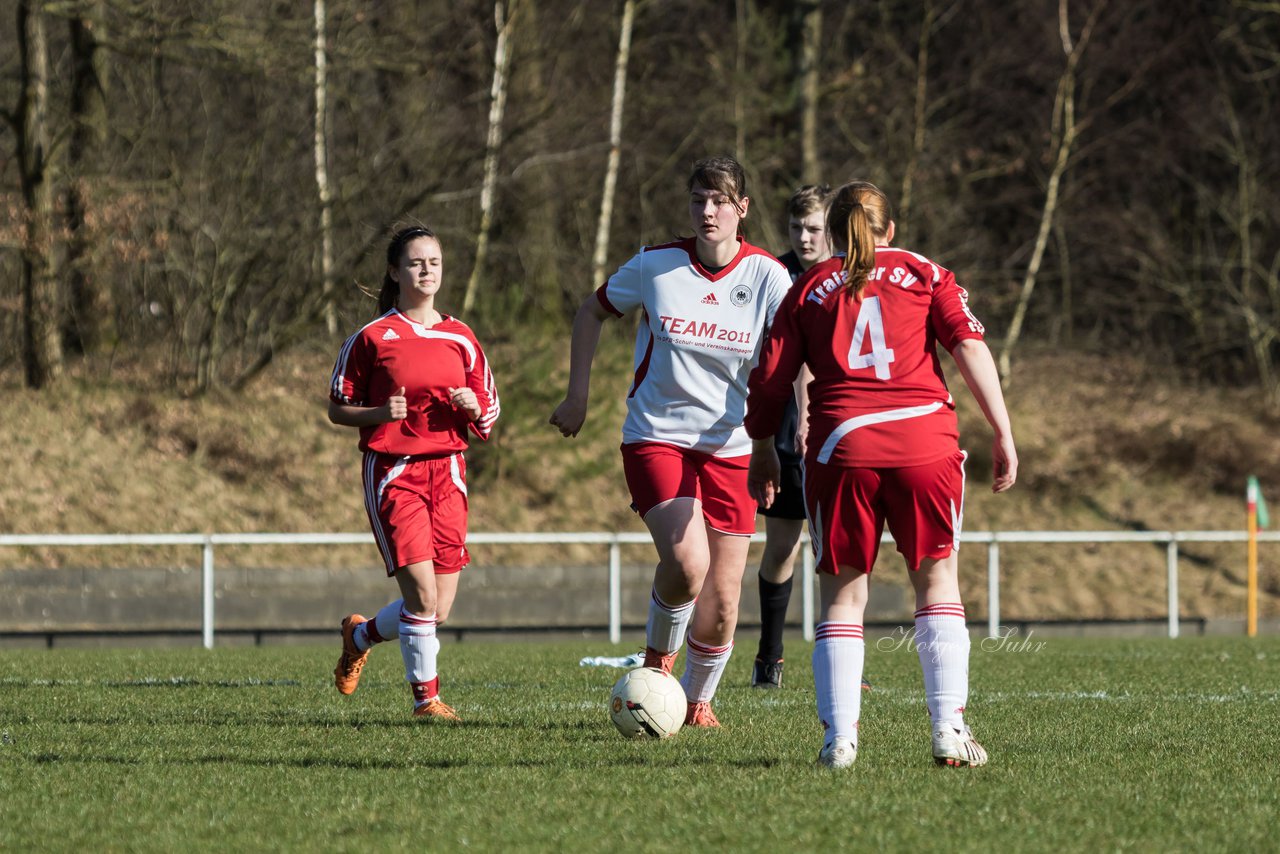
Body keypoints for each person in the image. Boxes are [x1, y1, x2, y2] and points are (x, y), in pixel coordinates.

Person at [745, 181, 1017, 769]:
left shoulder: (808, 288)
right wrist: (1002, 429)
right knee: (936, 582)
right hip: (925, 442)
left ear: (837, 235)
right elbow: (968, 345)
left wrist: (763, 446)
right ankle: (949, 731)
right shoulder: (925, 272)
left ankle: (839, 741)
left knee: (843, 595)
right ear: (888, 230)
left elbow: (770, 380)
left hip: (843, 447)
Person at [550, 156, 793, 728]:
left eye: (719, 201)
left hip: (733, 447)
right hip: (657, 437)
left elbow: (791, 356)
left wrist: (795, 422)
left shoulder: (767, 277)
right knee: (688, 564)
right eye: (697, 201)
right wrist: (577, 395)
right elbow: (591, 310)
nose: (706, 212)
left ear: (742, 209)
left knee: (724, 603)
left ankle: (695, 701)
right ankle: (658, 664)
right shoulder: (656, 265)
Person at [329, 224, 500, 721]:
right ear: (395, 271)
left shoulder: (461, 336)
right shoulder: (372, 337)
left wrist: (473, 406)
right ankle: (427, 701)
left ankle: (358, 636)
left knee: (437, 608)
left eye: (435, 262)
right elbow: (339, 408)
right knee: (421, 597)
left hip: (448, 473)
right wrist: (380, 413)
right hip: (394, 472)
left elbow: (489, 411)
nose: (427, 271)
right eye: (416, 263)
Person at [750, 184, 831, 690]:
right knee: (782, 545)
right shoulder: (773, 275)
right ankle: (769, 657)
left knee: (835, 549)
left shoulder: (847, 274)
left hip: (837, 424)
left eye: (814, 228)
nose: (804, 237)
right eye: (796, 227)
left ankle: (838, 659)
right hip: (780, 429)